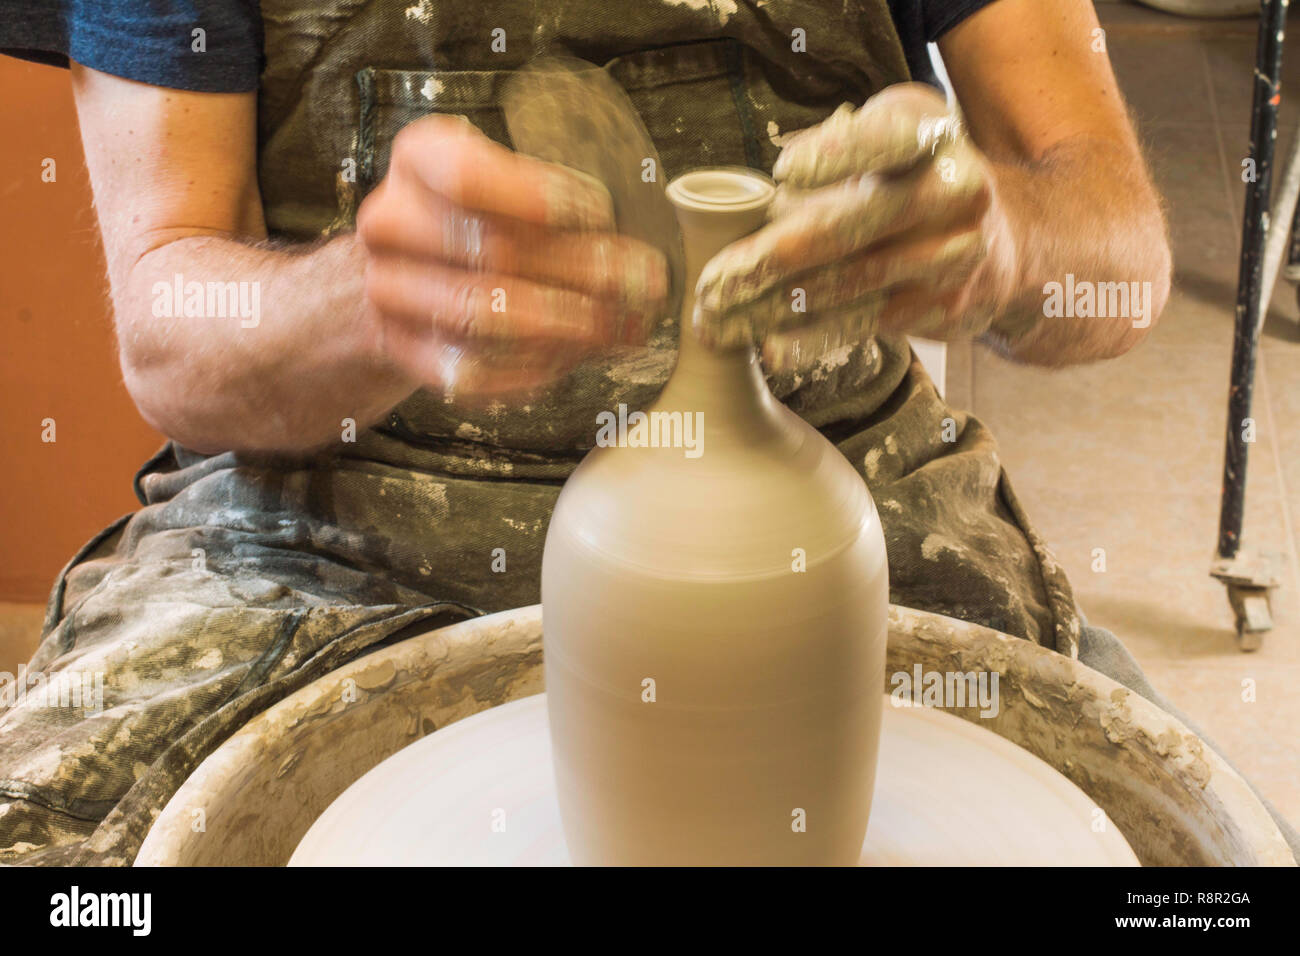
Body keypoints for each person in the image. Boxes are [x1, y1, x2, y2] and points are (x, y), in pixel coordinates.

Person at [0, 0, 1290, 865]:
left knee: (1201, 867)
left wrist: (1003, 241)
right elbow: (169, 329)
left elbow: (1116, 254)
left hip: (850, 509)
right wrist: (365, 302)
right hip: (328, 525)